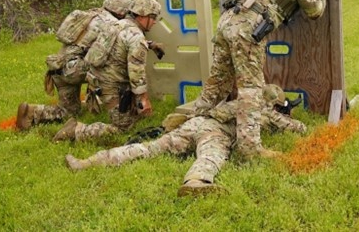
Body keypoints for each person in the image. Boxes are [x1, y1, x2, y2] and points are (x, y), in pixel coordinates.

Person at [193, 0, 332, 160]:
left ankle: (193, 122)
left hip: (228, 21)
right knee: (251, 88)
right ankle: (250, 149)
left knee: (218, 81)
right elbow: (315, 11)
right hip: (248, 29)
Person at [65, 84, 307, 197]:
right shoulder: (265, 110)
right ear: (274, 102)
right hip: (215, 133)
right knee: (211, 156)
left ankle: (89, 162)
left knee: (149, 148)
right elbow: (298, 128)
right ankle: (196, 181)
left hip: (193, 124)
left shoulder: (237, 100)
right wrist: (290, 118)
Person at [16, 0, 132, 131]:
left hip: (58, 67)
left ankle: (32, 112)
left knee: (69, 111)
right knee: (113, 68)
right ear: (121, 11)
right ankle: (119, 110)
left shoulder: (90, 15)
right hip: (76, 69)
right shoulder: (112, 23)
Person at [52, 0, 161, 142]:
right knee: (123, 128)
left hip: (96, 79)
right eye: (153, 17)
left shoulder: (115, 25)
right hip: (111, 86)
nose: (154, 22)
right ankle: (77, 131)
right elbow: (137, 73)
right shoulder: (136, 37)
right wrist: (143, 99)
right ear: (142, 15)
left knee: (133, 116)